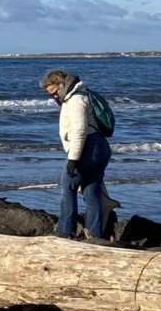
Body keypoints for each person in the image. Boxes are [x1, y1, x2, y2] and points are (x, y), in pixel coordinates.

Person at [40, 70, 112, 238]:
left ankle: (65, 230)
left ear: (62, 85)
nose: (55, 97)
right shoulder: (84, 93)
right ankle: (95, 234)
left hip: (88, 147)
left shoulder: (75, 100)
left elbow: (79, 131)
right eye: (51, 95)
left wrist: (73, 159)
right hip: (100, 146)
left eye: (55, 92)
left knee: (68, 187)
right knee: (91, 191)